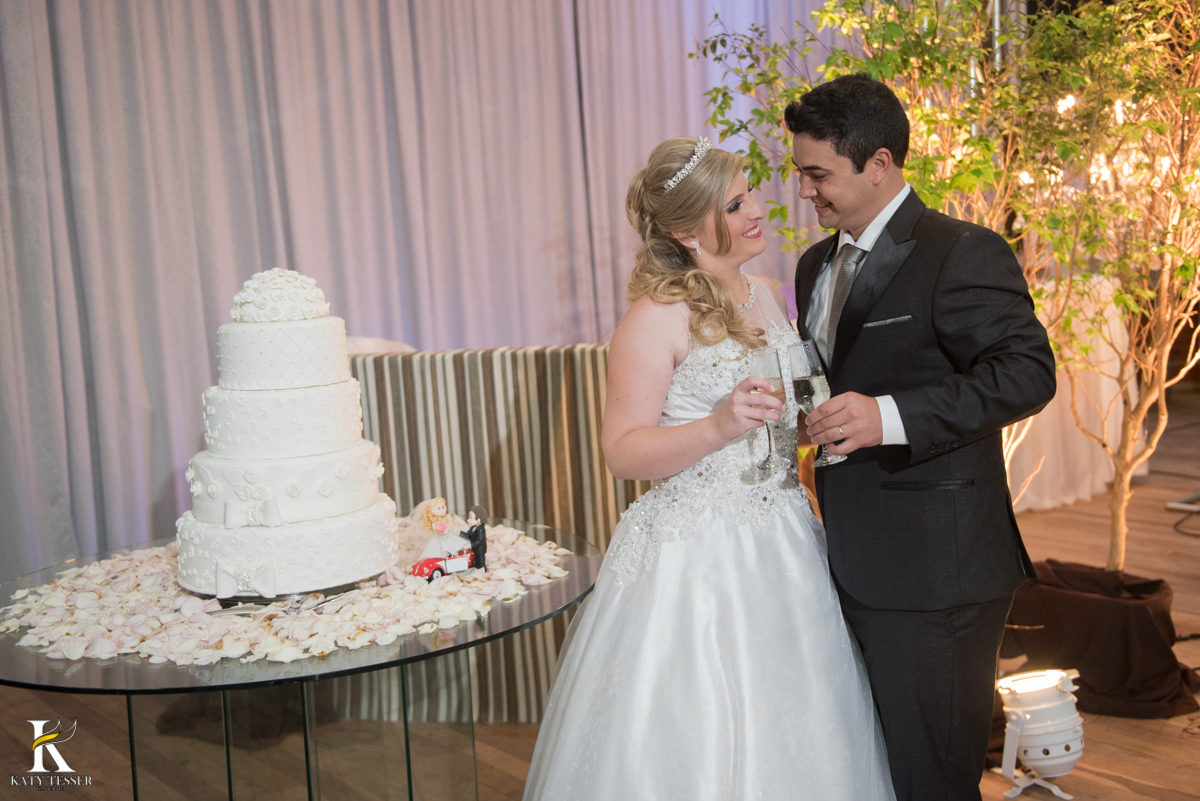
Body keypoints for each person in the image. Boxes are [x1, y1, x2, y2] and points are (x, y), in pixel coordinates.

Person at [523, 136, 895, 800]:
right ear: (686, 230)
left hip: (784, 538)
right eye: (736, 202)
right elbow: (621, 450)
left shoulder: (766, 294)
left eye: (750, 190)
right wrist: (718, 424)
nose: (759, 208)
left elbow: (774, 418)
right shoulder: (655, 318)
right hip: (697, 557)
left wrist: (803, 428)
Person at [786, 74, 1057, 801]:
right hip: (845, 552)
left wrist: (888, 415)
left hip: (940, 568)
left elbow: (1027, 374)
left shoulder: (962, 251)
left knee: (932, 776)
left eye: (819, 174)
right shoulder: (813, 263)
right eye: (801, 174)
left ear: (878, 163)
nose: (807, 192)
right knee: (876, 764)